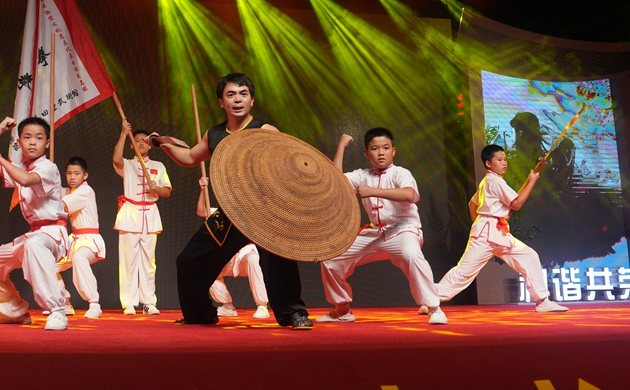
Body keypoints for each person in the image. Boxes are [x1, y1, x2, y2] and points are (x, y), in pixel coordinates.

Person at [157, 72, 312, 329]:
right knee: (189, 260)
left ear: (252, 100)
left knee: (279, 260)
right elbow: (189, 157)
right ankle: (200, 314)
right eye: (231, 95)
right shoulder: (215, 134)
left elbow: (286, 167)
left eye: (243, 94)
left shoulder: (265, 131)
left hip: (266, 210)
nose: (237, 100)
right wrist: (163, 143)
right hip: (233, 211)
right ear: (221, 102)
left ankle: (294, 313)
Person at [316, 129, 446, 325]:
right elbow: (335, 182)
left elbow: (410, 195)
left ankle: (434, 308)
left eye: (386, 148)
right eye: (375, 149)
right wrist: (341, 146)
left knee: (411, 254)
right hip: (375, 232)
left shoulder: (401, 173)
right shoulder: (362, 175)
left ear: (393, 151)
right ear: (367, 154)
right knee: (331, 257)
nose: (381, 152)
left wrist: (372, 191)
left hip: (404, 230)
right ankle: (342, 310)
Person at [435, 144, 568, 313]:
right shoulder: (494, 181)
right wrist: (533, 181)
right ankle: (431, 298)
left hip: (497, 232)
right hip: (487, 235)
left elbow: (473, 204)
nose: (504, 163)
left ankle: (542, 300)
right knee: (464, 272)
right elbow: (518, 204)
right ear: (488, 163)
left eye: (505, 159)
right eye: (499, 160)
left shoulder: (490, 180)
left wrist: (531, 176)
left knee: (529, 256)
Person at [0, 116, 70, 330]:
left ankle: (57, 311)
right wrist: (0, 128)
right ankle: (15, 312)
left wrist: (2, 161)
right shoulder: (20, 169)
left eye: (38, 137)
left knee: (34, 244)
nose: (33, 142)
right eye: (27, 137)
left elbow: (27, 180)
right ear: (19, 142)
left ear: (47, 143)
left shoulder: (47, 167)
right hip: (34, 234)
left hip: (53, 235)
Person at [112, 120, 172, 315]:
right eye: (136, 141)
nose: (141, 144)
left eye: (144, 141)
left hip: (150, 215)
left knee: (149, 261)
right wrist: (123, 133)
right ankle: (129, 302)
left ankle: (148, 302)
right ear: (132, 144)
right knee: (128, 261)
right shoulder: (128, 165)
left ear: (149, 145)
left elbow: (167, 192)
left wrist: (158, 188)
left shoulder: (158, 166)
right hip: (130, 214)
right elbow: (116, 158)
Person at [196, 177, 270, 319]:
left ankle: (262, 305)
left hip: (244, 257)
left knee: (253, 259)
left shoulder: (250, 213)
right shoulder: (220, 214)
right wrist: (203, 188)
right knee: (207, 266)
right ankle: (227, 306)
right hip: (228, 258)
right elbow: (201, 211)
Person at [54, 156, 105, 319]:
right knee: (48, 265)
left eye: (76, 173)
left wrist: (50, 196)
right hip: (74, 240)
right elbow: (54, 192)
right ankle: (64, 302)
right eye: (69, 173)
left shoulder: (85, 191)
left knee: (79, 257)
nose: (72, 177)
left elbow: (60, 203)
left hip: (89, 240)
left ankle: (94, 303)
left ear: (85, 176)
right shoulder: (70, 191)